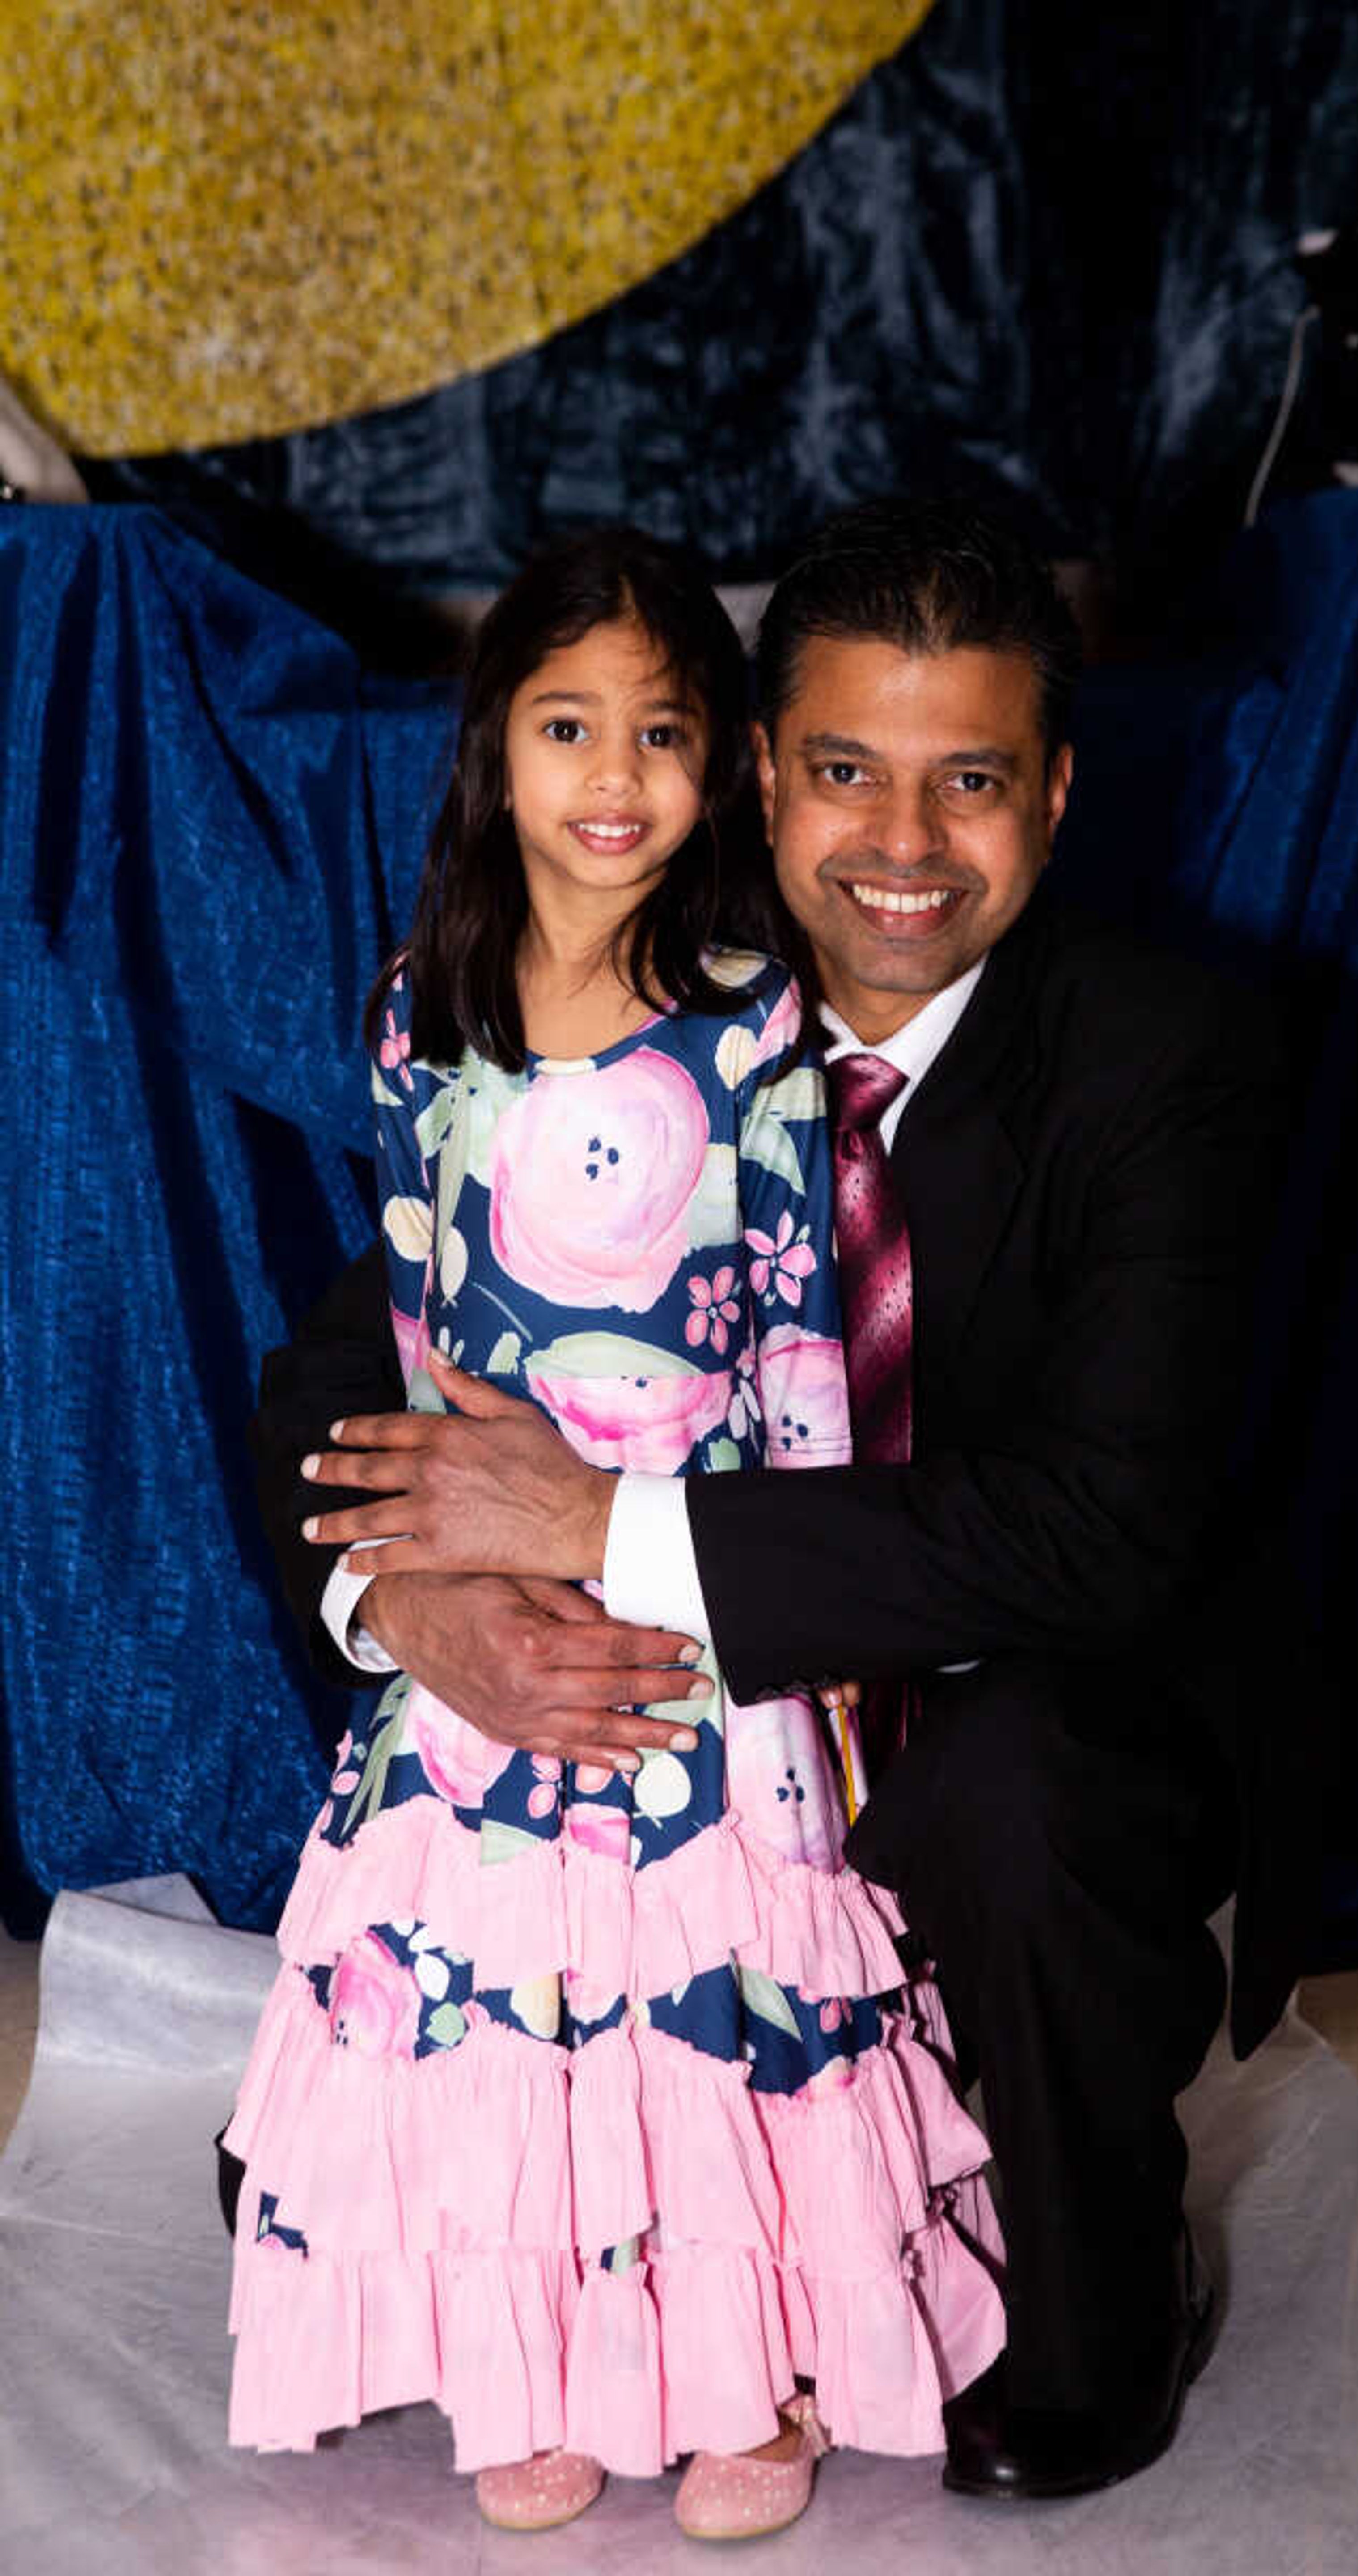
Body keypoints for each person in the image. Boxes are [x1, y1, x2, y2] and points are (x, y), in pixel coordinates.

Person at [254, 496, 1293, 2504]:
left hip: (1016, 1701)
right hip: (667, 1754)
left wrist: (596, 1529)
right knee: (323, 2197)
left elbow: (1100, 1533)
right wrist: (421, 1607)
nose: (901, 847)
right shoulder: (637, 1014)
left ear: (1058, 799)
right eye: (842, 773)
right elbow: (344, 1365)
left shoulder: (1175, 1056)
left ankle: (1089, 2250)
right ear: (756, 770)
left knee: (1016, 1802)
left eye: (969, 782)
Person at [225, 525, 1004, 2542]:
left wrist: (801, 1645)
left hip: (694, 1583)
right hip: (497, 1589)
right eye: (568, 726)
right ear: (494, 751)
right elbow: (407, 1310)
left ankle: (752, 2377)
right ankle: (537, 2365)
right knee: (505, 1994)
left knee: (707, 2001)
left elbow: (801, 1341)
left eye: (661, 733)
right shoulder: (422, 1010)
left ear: (723, 762)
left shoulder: (748, 1021)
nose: (613, 777)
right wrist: (430, 1569)